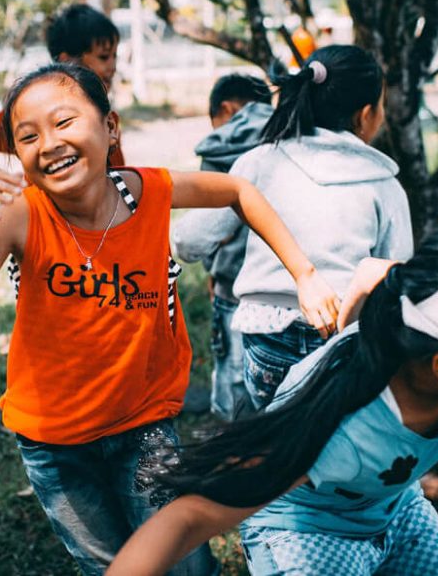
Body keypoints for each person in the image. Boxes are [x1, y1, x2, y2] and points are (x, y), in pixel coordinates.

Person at [0, 63, 339, 575]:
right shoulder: (22, 215)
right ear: (17, 153)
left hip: (143, 425)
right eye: (28, 136)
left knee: (185, 563)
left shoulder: (149, 192)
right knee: (111, 566)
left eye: (64, 122)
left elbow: (239, 192)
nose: (49, 143)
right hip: (55, 445)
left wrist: (305, 273)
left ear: (110, 128)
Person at [107, 225, 438, 576]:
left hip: (392, 507)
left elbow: (374, 271)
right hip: (305, 530)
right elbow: (189, 517)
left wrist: (348, 329)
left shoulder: (406, 297)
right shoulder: (334, 428)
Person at [173, 45, 413, 410]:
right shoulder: (384, 184)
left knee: (270, 439)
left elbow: (188, 241)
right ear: (366, 115)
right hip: (340, 340)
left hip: (265, 338)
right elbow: (395, 273)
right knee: (320, 445)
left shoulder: (258, 163)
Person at [178, 74, 273, 420]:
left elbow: (206, 230)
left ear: (226, 109)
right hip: (284, 286)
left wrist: (211, 270)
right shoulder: (289, 136)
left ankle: (226, 439)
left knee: (232, 377)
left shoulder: (222, 148)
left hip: (232, 283)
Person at [0, 3, 123, 171]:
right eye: (104, 57)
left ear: (109, 125)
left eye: (115, 56)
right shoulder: (34, 108)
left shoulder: (101, 110)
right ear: (68, 61)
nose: (112, 66)